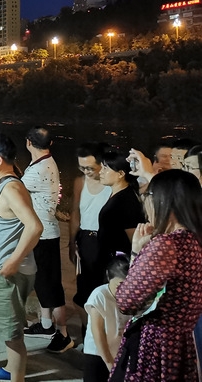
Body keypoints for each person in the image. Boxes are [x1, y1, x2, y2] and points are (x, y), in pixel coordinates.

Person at [110, 169, 202, 381]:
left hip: (155, 346)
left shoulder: (166, 245)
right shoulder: (194, 240)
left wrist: (136, 252)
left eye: (148, 194)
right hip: (182, 346)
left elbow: (126, 301)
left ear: (164, 200)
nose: (145, 202)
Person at [0, 132, 43, 382]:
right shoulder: (5, 185)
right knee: (9, 329)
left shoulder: (10, 188)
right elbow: (8, 227)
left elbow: (34, 227)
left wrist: (13, 261)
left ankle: (17, 376)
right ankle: (11, 368)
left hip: (8, 273)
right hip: (3, 267)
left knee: (12, 332)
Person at [21, 126, 74, 353]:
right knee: (43, 283)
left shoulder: (39, 169)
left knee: (50, 285)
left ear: (28, 143)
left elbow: (16, 191)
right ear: (50, 144)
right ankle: (45, 325)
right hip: (44, 231)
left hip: (44, 234)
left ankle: (63, 334)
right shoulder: (44, 163)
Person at [69, 143, 112, 339]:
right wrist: (72, 242)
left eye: (90, 168)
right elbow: (75, 213)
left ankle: (105, 334)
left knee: (105, 289)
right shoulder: (80, 182)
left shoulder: (111, 183)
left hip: (106, 240)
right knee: (84, 290)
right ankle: (88, 333)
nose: (86, 171)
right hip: (86, 239)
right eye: (82, 167)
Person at [96, 150, 144, 283]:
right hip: (109, 260)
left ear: (121, 174)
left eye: (105, 168)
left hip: (118, 266)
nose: (100, 172)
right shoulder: (118, 194)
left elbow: (134, 237)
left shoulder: (126, 201)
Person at [83, 255, 131, 382]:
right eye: (120, 285)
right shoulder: (99, 295)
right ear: (108, 276)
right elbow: (97, 331)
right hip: (97, 353)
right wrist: (108, 361)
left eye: (128, 286)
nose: (124, 290)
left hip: (118, 353)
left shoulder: (130, 298)